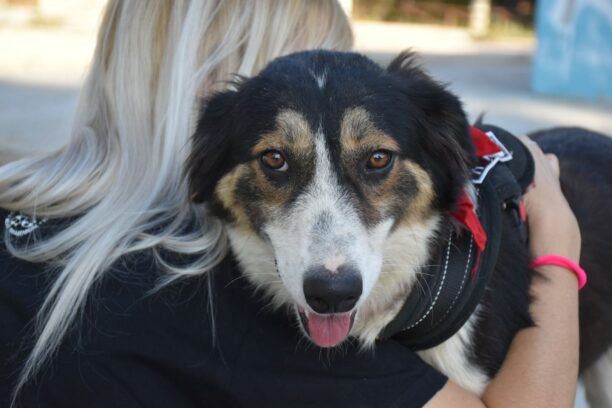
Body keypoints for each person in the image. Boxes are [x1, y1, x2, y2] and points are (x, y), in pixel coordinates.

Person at [0, 1, 581, 406]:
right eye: (276, 158)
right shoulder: (221, 301)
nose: (324, 79)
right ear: (213, 88)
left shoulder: (12, 206)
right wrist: (559, 247)